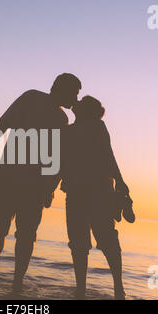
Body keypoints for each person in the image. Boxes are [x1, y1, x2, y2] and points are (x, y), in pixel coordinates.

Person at [0, 73, 82, 293]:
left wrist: (50, 188)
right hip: (19, 178)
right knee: (18, 232)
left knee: (6, 229)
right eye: (75, 93)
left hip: (26, 181)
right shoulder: (32, 98)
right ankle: (6, 280)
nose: (76, 99)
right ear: (62, 89)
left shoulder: (62, 119)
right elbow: (3, 125)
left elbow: (54, 155)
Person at [56, 95, 130, 299]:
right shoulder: (72, 131)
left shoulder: (96, 127)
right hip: (85, 192)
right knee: (91, 242)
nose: (76, 102)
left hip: (92, 193)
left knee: (96, 242)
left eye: (81, 102)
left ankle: (112, 288)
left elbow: (108, 155)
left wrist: (121, 181)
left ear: (85, 110)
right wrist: (120, 181)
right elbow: (62, 162)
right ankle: (102, 289)